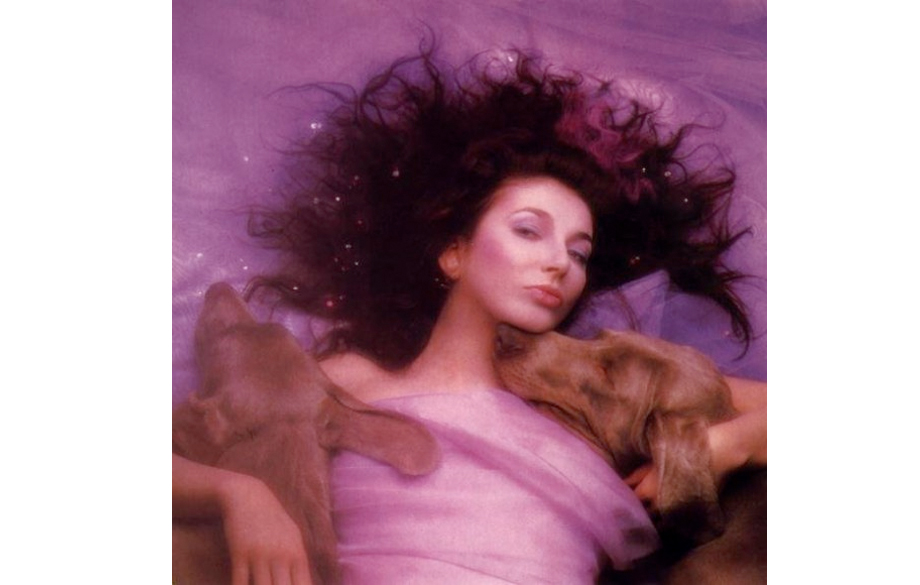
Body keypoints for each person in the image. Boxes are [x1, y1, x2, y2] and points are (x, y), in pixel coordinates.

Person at [173, 44, 767, 585]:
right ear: (454, 252)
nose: (558, 263)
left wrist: (723, 449)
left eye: (579, 253)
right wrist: (239, 495)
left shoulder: (600, 396)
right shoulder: (344, 380)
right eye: (529, 230)